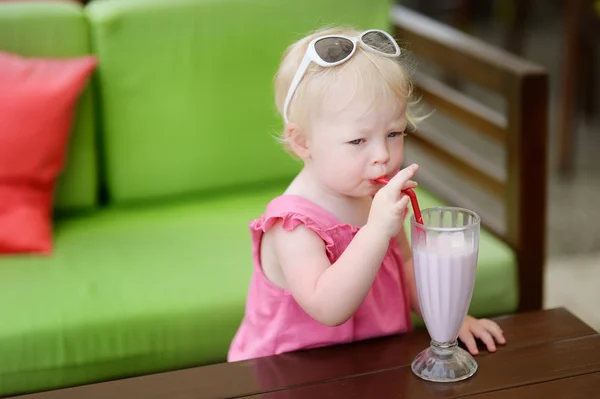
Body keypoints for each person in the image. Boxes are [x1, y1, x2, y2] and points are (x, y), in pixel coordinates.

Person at [227, 26, 505, 362]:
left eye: (393, 133)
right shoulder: (292, 226)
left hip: (371, 366)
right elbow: (328, 307)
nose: (382, 156)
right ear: (302, 142)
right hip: (289, 377)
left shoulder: (374, 198)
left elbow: (403, 265)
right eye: (358, 141)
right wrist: (376, 231)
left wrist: (448, 321)